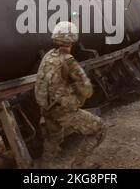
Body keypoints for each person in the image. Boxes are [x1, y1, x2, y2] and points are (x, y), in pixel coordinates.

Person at [35, 21, 107, 169]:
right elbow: (87, 89)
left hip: (46, 110)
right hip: (63, 111)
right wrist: (76, 94)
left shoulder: (48, 56)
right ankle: (78, 167)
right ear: (73, 39)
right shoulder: (69, 61)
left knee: (53, 140)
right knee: (99, 129)